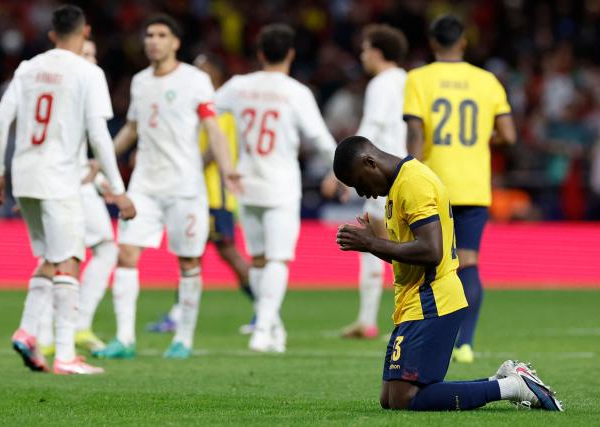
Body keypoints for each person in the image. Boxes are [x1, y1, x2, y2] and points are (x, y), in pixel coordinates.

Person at [333, 136, 561, 411]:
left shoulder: (413, 183)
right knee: (390, 399)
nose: (362, 193)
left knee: (405, 398)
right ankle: (502, 380)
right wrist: (372, 243)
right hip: (413, 302)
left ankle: (513, 387)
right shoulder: (397, 186)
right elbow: (407, 253)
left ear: (369, 163)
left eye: (359, 183)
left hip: (433, 300)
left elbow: (432, 251)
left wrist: (372, 243)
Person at [0, 4, 136, 374]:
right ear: (85, 32)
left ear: (52, 34)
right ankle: (67, 354)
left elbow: (0, 120)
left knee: (51, 258)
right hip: (59, 175)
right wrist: (118, 189)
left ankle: (27, 331)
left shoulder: (28, 68)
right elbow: (99, 134)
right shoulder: (88, 71)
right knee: (70, 259)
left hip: (24, 174)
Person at [94, 14, 240, 360]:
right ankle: (125, 338)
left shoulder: (195, 80)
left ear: (175, 42)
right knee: (126, 255)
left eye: (161, 35)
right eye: (149, 35)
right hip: (144, 186)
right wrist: (101, 159)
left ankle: (183, 339)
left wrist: (228, 168)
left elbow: (214, 129)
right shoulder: (140, 82)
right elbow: (131, 128)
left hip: (184, 189)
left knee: (189, 261)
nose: (153, 41)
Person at [215, 23, 343, 352]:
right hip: (281, 184)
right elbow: (319, 138)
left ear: (259, 53)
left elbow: (206, 111)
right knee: (278, 260)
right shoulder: (295, 92)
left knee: (258, 259)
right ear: (290, 54)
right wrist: (340, 170)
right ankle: (264, 327)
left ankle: (271, 326)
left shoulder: (238, 86)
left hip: (245, 181)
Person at [403, 15, 516, 363]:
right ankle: (465, 343)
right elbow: (510, 136)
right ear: (463, 43)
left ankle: (428, 338)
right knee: (468, 263)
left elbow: (416, 134)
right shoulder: (487, 81)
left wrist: (409, 174)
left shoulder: (418, 79)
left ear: (433, 42)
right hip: (473, 185)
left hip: (434, 184)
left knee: (431, 263)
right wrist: (488, 136)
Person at [146, 53, 255, 334]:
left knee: (223, 253)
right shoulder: (203, 108)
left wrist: (185, 167)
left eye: (203, 70)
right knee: (193, 252)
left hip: (212, 196)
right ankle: (178, 313)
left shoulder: (220, 110)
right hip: (202, 194)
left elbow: (213, 152)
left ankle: (264, 309)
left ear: (215, 78)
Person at [36, 39, 119, 357]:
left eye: (93, 54)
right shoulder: (74, 88)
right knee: (59, 257)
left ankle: (67, 326)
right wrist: (109, 181)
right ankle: (48, 332)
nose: (90, 60)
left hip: (74, 181)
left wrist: (98, 177)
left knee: (97, 250)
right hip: (64, 183)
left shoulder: (74, 87)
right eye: (84, 54)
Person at [341, 24, 409, 339]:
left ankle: (391, 319)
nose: (362, 55)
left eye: (366, 49)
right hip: (406, 170)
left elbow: (371, 126)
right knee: (382, 245)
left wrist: (346, 174)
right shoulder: (410, 81)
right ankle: (366, 319)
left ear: (378, 52)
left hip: (381, 174)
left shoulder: (381, 83)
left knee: (383, 245)